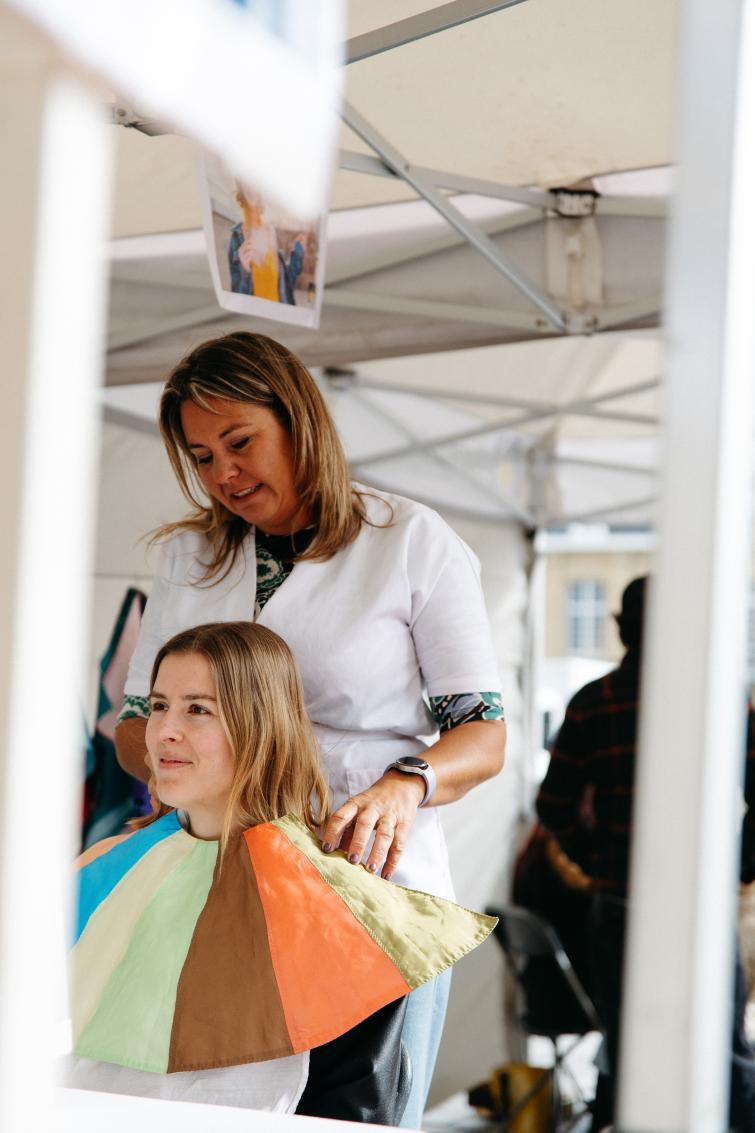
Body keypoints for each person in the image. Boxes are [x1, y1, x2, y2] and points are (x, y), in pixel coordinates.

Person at [113, 330, 507, 1127]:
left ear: (297, 420)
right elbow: (132, 724)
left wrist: (406, 785)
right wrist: (176, 768)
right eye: (201, 456)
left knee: (352, 1111)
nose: (223, 474)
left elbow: (483, 734)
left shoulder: (408, 541)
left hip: (366, 884)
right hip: (218, 885)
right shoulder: (190, 556)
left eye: (239, 443)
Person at [70, 622, 495, 1120]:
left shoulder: (341, 912)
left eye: (198, 709)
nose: (164, 730)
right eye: (159, 705)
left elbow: (354, 1113)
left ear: (259, 726)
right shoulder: (101, 868)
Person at [536, 576, 755, 1130]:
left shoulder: (593, 702)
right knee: (725, 1046)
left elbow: (554, 805)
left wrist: (597, 858)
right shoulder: (722, 697)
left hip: (620, 903)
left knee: (629, 1049)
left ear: (621, 628)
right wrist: (740, 864)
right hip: (702, 900)